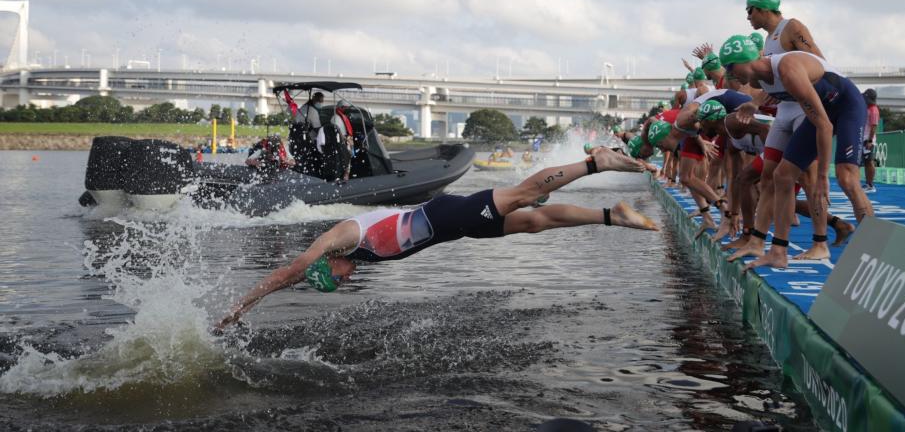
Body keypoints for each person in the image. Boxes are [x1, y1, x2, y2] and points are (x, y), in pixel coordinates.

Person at [215, 148, 658, 330]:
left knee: (529, 193)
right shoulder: (339, 260)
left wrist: (240, 304)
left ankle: (595, 163)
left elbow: (289, 269)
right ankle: (610, 216)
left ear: (327, 262)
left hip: (447, 214)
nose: (347, 280)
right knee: (533, 222)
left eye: (338, 278)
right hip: (453, 230)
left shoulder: (338, 238)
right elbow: (286, 281)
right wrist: (241, 309)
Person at [719, 34, 873, 269]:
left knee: (846, 177)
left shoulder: (788, 69)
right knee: (782, 176)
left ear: (744, 61)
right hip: (820, 113)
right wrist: (753, 105)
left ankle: (874, 249)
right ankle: (778, 252)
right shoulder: (761, 79)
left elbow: (825, 125)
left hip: (846, 106)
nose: (730, 75)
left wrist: (823, 176)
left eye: (730, 68)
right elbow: (771, 90)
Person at [861, 89, 880, 193]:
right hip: (862, 138)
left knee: (869, 162)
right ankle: (867, 183)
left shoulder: (873, 110)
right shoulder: (867, 108)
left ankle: (870, 185)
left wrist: (869, 141)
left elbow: (874, 127)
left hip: (868, 140)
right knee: (865, 162)